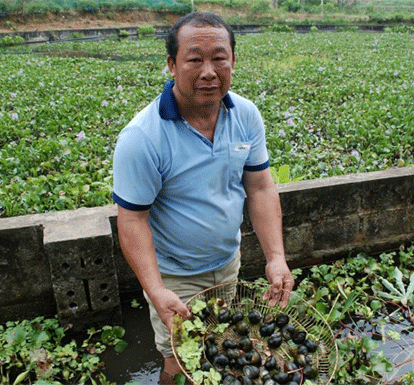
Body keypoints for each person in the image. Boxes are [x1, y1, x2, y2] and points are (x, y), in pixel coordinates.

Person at [112, 12, 295, 384]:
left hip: (228, 261)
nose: (209, 71)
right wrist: (156, 289)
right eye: (194, 59)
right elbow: (132, 220)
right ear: (171, 64)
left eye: (219, 57)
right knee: (178, 362)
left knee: (219, 341)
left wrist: (276, 257)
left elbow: (260, 187)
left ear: (233, 61)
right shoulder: (142, 137)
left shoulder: (245, 114)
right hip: (174, 274)